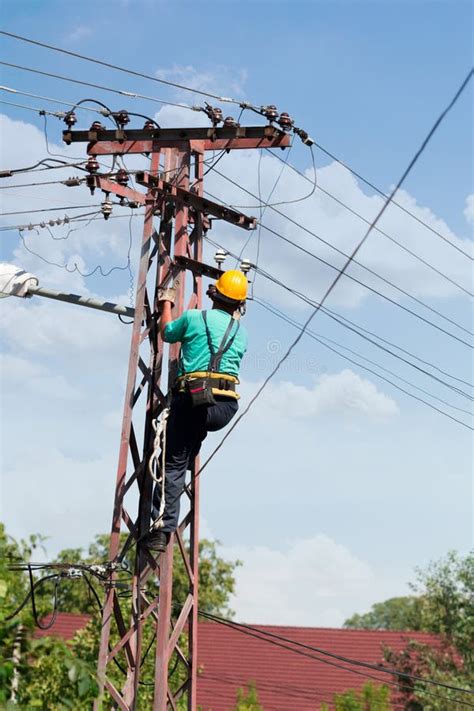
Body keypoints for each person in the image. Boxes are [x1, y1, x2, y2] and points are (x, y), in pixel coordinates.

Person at [144, 270, 249, 552]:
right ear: (240, 305)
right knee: (187, 446)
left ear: (213, 295)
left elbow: (167, 333)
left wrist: (166, 303)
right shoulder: (241, 333)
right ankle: (187, 451)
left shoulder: (193, 318)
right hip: (225, 407)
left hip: (193, 401)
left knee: (173, 464)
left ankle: (160, 531)